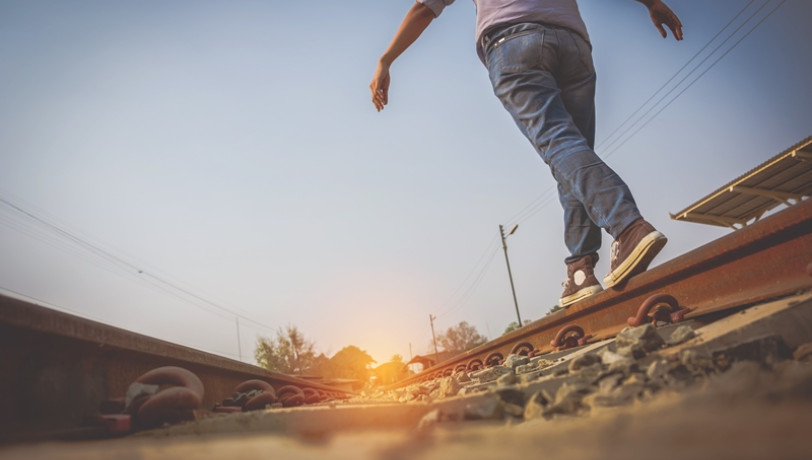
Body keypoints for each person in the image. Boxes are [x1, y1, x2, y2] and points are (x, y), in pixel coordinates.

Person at [370, 0, 683, 308]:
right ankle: (580, 269)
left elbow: (425, 8)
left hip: (513, 43)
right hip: (573, 44)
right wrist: (650, 2)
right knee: (571, 153)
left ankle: (627, 226)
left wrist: (386, 59)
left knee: (560, 144)